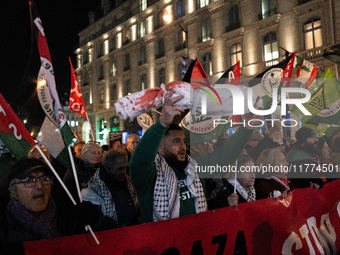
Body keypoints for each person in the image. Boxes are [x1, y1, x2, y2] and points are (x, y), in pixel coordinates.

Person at [129, 91, 257, 223]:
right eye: (176, 141)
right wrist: (161, 124)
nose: (183, 146)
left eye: (183, 141)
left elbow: (224, 155)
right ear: (160, 148)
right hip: (163, 242)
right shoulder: (149, 175)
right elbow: (139, 162)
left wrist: (247, 127)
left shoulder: (194, 167)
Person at [0, 158, 116, 254]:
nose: (39, 186)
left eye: (45, 178)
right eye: (29, 180)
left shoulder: (70, 215)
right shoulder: (4, 230)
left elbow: (115, 237)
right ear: (13, 191)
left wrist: (96, 220)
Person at [81, 148, 139, 227]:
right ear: (108, 168)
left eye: (126, 168)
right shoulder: (91, 191)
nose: (124, 172)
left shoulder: (128, 182)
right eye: (120, 169)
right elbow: (95, 222)